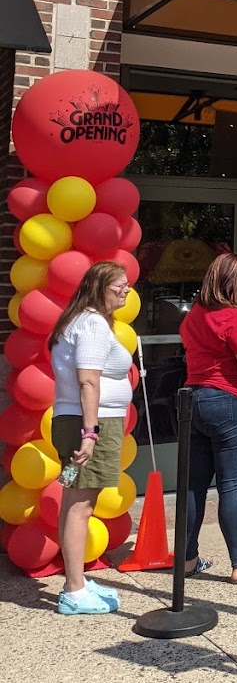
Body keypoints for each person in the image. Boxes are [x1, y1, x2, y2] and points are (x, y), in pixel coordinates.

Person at [180, 252, 237, 582]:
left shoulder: (194, 315)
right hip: (230, 401)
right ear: (236, 284)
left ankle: (188, 560)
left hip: (194, 399)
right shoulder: (234, 316)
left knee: (194, 486)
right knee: (230, 486)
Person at [49, 261, 133, 616]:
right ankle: (74, 591)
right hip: (87, 426)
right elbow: (88, 380)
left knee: (74, 502)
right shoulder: (93, 323)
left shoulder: (79, 320)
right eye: (119, 286)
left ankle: (76, 582)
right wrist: (90, 433)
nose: (126, 291)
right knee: (81, 507)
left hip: (77, 422)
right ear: (99, 288)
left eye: (127, 285)